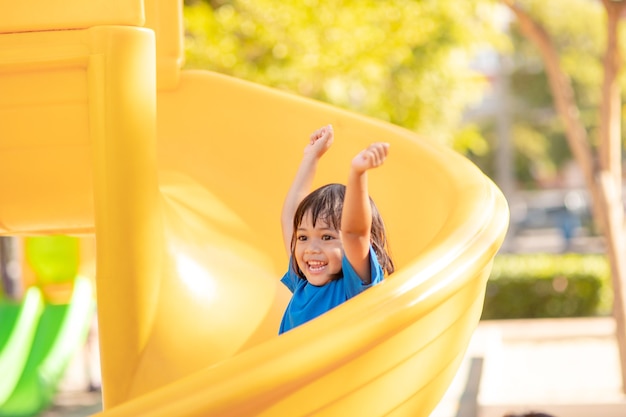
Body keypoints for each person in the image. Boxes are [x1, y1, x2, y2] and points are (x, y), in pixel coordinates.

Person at [278, 124, 394, 334]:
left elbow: (354, 233)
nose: (311, 248)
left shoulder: (353, 288)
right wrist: (311, 157)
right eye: (303, 237)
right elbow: (289, 218)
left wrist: (358, 173)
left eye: (326, 236)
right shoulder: (302, 282)